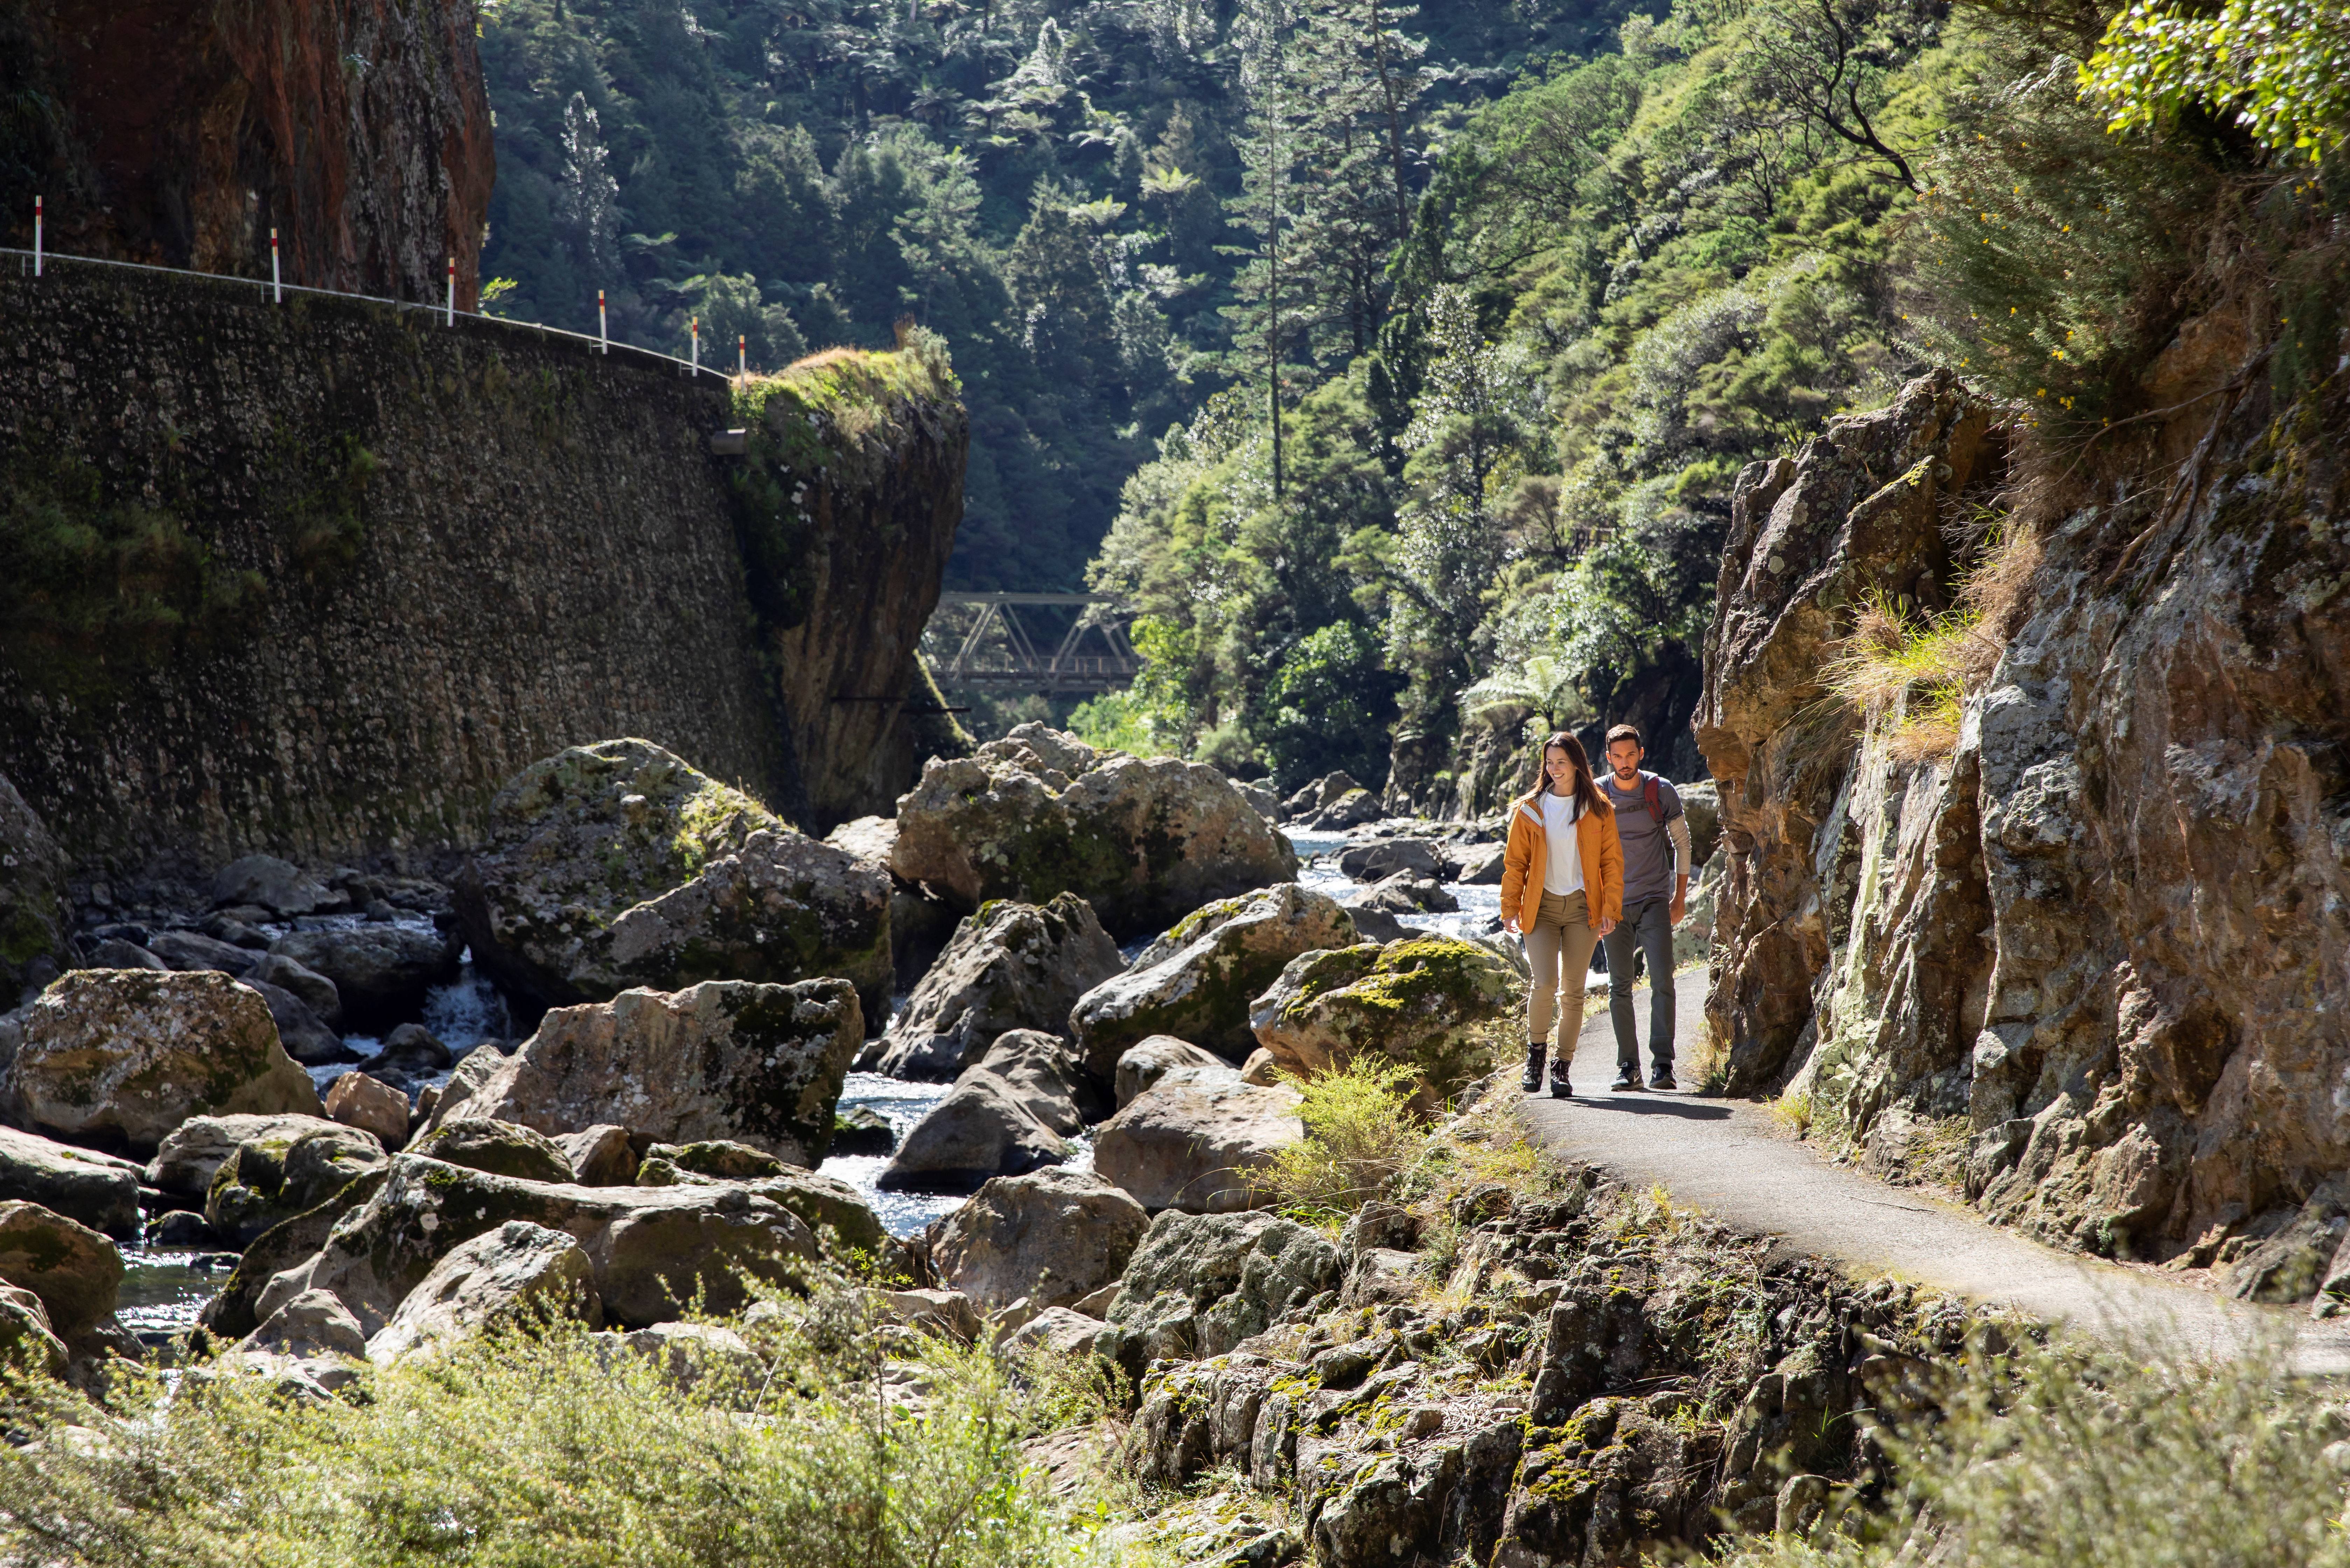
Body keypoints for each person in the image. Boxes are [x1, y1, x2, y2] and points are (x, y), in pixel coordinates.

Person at [1498, 731, 1624, 1098]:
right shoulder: (1530, 808)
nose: (1554, 769)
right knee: (1544, 985)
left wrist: (1610, 909)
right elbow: (1515, 864)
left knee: (1574, 991)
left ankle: (1562, 1067)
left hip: (1584, 908)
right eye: (1549, 763)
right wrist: (1509, 909)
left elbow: (1612, 864)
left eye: (1561, 763)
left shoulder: (1598, 808)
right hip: (1541, 907)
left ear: (1576, 765)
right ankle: (1535, 1056)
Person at [1597, 723, 1693, 1091]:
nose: (1625, 762)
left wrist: (1679, 897)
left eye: (1630, 754)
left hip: (1655, 898)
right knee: (1619, 986)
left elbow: (1683, 843)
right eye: (1618, 756)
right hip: (1613, 905)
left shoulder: (1660, 789)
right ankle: (1628, 1066)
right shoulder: (1598, 794)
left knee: (1662, 981)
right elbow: (1586, 852)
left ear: (1641, 753)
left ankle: (1663, 1065)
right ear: (1609, 758)